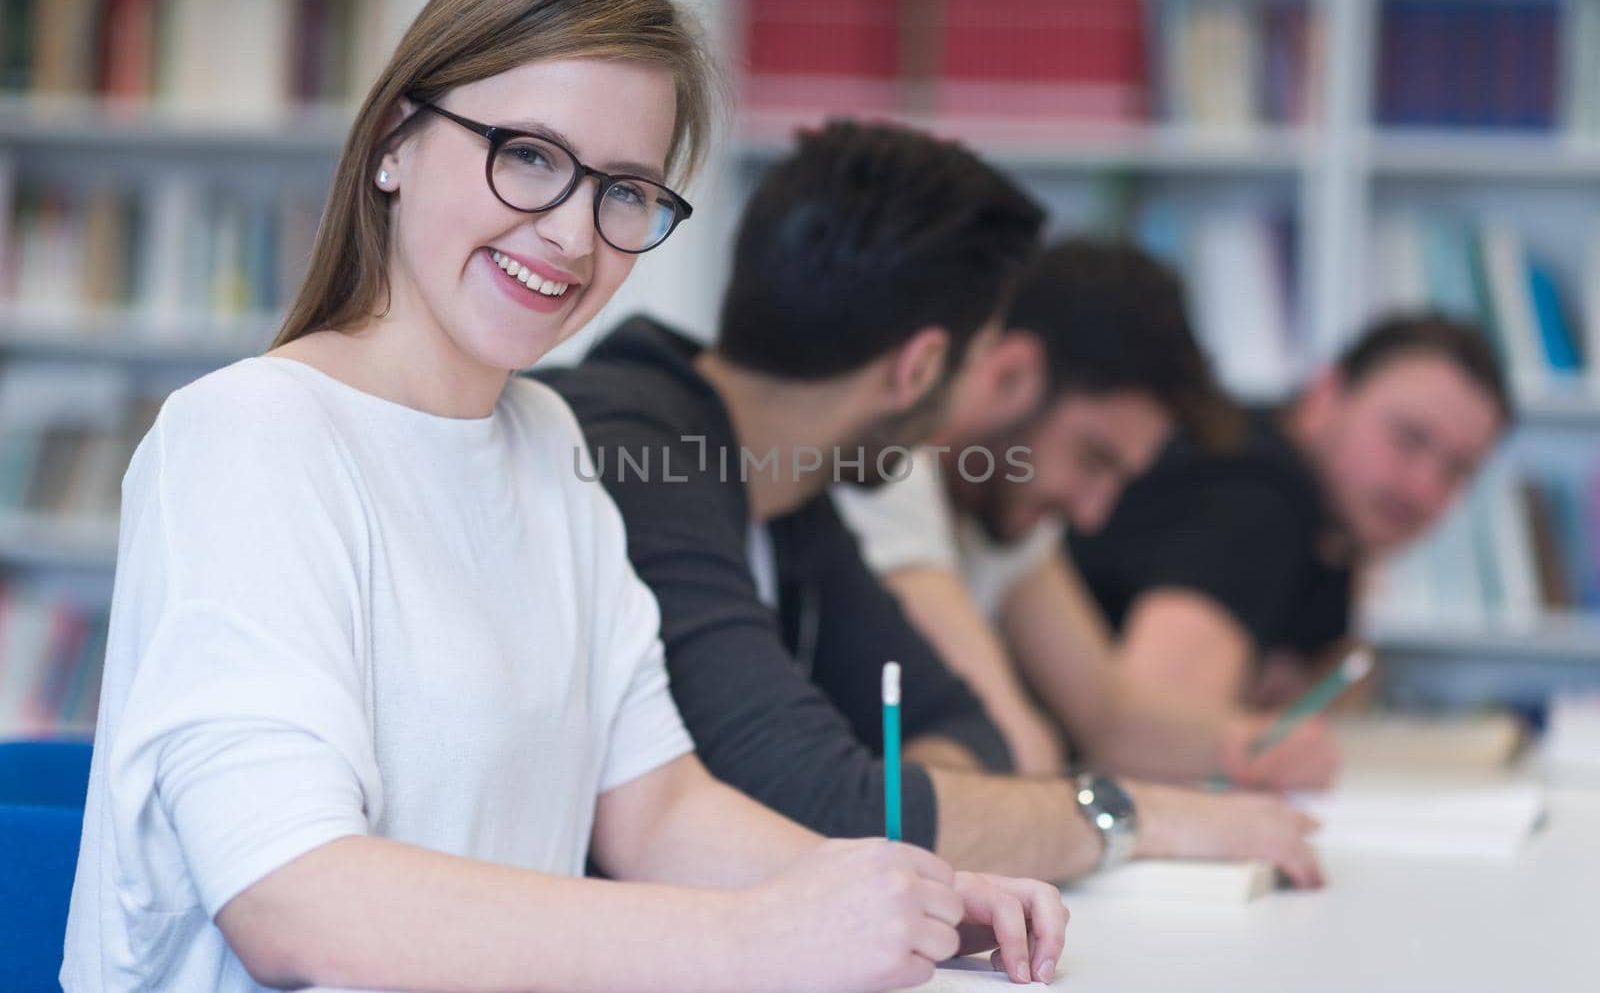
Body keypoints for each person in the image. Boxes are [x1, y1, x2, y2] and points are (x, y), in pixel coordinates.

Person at [61, 0, 1066, 993]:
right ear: (395, 141)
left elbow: (656, 809)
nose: (572, 235)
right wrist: (748, 940)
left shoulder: (551, 444)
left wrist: (918, 895)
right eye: (530, 156)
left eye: (624, 192)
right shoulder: (248, 434)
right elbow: (291, 897)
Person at [543, 122, 1326, 895]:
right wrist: (1130, 816)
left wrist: (919, 806)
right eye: (980, 358)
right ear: (920, 369)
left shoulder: (789, 494)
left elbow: (958, 730)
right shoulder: (635, 454)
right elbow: (831, 805)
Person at [833, 238, 1339, 788]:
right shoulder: (887, 468)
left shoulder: (999, 504)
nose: (1092, 513)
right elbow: (1016, 744)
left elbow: (1108, 716)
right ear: (1012, 374)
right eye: (1093, 459)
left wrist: (1247, 744)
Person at [1068, 312, 1510, 711]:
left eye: (1457, 470)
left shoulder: (1329, 526)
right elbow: (1154, 739)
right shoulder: (1257, 497)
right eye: (1409, 438)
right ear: (1325, 396)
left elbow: (1345, 665)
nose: (1424, 488)